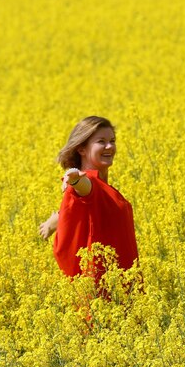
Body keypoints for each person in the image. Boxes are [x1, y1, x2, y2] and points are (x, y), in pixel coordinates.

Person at [38, 116, 138, 285]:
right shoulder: (89, 183)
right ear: (82, 149)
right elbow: (84, 189)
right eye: (101, 141)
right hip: (105, 293)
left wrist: (58, 219)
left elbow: (88, 210)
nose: (109, 146)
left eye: (112, 140)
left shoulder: (103, 187)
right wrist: (75, 178)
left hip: (122, 288)